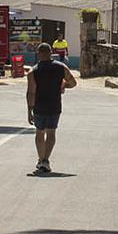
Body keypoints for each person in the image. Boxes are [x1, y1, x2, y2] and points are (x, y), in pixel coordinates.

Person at [25, 42, 77, 174]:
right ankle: (46, 160)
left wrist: (29, 110)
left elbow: (31, 92)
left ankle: (40, 158)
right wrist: (63, 86)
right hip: (54, 104)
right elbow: (73, 82)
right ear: (50, 53)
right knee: (51, 132)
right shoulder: (61, 67)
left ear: (38, 54)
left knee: (39, 132)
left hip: (39, 105)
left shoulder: (33, 71)